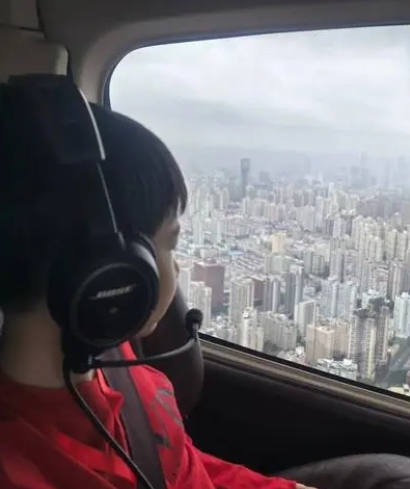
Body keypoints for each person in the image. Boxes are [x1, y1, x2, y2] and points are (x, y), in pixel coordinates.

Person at [0, 102, 316, 489]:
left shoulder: (115, 362)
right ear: (108, 276)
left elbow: (177, 465)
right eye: (167, 246)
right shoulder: (21, 468)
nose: (177, 268)